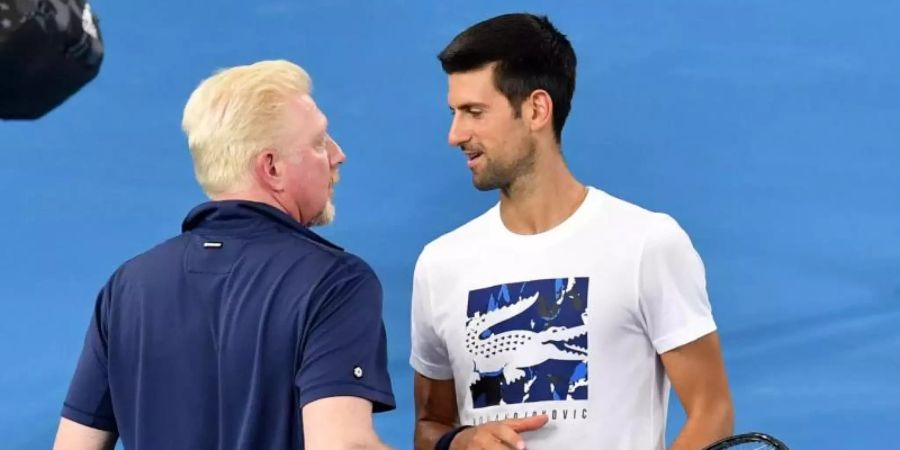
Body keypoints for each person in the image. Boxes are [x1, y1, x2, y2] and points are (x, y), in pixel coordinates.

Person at [410, 14, 734, 450]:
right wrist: (461, 442)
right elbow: (431, 424)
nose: (455, 134)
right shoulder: (439, 265)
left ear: (536, 110)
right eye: (454, 112)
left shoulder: (647, 243)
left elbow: (711, 410)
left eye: (474, 112)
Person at [53, 60, 395, 450]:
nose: (337, 155)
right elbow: (342, 445)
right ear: (272, 167)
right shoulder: (336, 282)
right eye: (319, 142)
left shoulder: (127, 287)